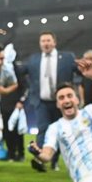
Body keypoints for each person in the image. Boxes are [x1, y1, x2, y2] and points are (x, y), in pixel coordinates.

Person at [19, 31, 78, 170]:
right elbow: (20, 71)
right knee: (43, 129)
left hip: (61, 103)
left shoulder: (67, 58)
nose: (45, 43)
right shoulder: (34, 59)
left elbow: (80, 70)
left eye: (48, 40)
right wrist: (9, 63)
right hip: (41, 101)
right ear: (40, 44)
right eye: (43, 41)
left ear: (54, 42)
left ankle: (54, 161)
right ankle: (40, 160)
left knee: (60, 131)